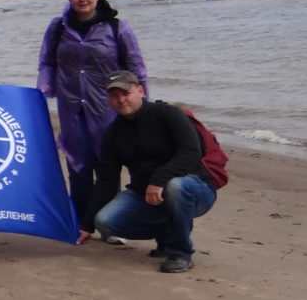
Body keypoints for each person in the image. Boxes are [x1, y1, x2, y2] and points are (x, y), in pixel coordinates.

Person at [37, 0, 148, 236]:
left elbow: (135, 66)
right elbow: (47, 63)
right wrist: (41, 94)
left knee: (107, 164)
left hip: (108, 105)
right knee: (78, 164)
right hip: (72, 106)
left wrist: (143, 103)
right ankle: (79, 223)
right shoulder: (59, 27)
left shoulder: (116, 27)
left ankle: (111, 225)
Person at [90, 72, 216, 273]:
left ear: (140, 90)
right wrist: (86, 226)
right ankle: (169, 232)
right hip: (146, 196)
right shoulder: (113, 134)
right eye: (114, 95)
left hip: (195, 187)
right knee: (105, 222)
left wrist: (159, 180)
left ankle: (181, 253)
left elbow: (191, 151)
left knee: (176, 186)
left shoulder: (168, 114)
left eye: (126, 92)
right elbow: (106, 179)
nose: (121, 99)